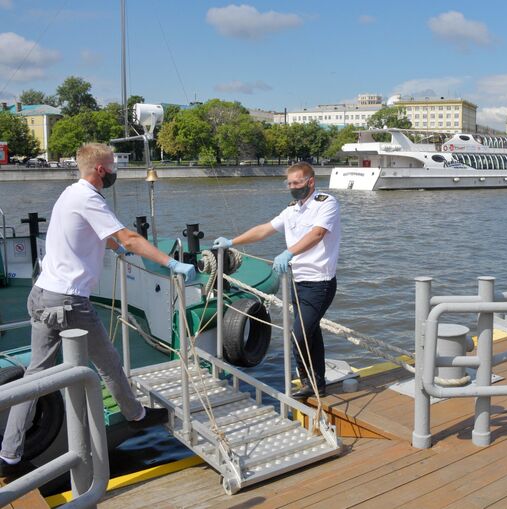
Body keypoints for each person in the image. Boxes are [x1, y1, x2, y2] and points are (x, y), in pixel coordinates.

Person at [0, 143, 196, 474]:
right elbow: (130, 236)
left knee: (35, 375)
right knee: (108, 362)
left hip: (42, 293)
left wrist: (116, 247)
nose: (116, 170)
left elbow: (98, 233)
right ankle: (136, 416)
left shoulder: (70, 194)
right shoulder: (90, 197)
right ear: (101, 171)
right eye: (113, 165)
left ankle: (9, 455)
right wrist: (170, 262)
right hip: (69, 301)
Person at [212, 162, 340, 399]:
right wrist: (232, 241)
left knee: (298, 334)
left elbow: (317, 233)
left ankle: (306, 381)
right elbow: (264, 229)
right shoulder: (292, 209)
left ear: (310, 182)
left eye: (297, 183)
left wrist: (289, 252)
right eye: (289, 183)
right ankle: (317, 383)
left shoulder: (326, 203)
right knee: (310, 333)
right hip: (297, 281)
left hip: (320, 282)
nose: (292, 187)